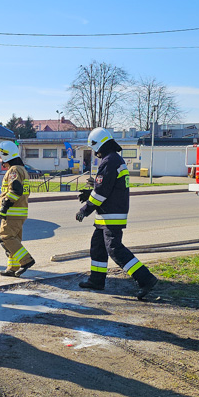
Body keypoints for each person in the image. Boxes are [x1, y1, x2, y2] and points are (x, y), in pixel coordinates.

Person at [76, 128, 159, 300]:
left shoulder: (109, 161)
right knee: (97, 246)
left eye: (94, 148)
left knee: (115, 249)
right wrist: (92, 191)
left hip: (110, 215)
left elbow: (101, 193)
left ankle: (145, 279)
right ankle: (96, 280)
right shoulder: (114, 159)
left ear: (98, 144)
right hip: (107, 214)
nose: (95, 152)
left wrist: (85, 210)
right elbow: (106, 187)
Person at [0, 141, 35, 277]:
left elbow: (15, 190)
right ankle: (13, 267)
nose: (1, 160)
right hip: (20, 212)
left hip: (12, 212)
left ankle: (26, 261)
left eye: (1, 157)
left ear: (7, 156)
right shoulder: (22, 169)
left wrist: (5, 206)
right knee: (14, 239)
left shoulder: (14, 170)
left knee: (6, 237)